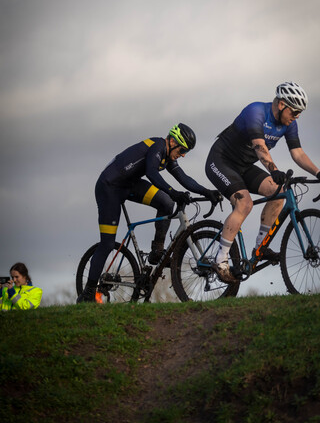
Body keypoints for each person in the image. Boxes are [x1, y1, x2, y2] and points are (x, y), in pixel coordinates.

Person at [77, 123, 221, 302]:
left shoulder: (168, 155)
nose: (183, 155)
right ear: (173, 142)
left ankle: (157, 252)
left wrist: (207, 192)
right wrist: (173, 191)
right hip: (109, 188)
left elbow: (183, 178)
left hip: (129, 184)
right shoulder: (158, 147)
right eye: (183, 149)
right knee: (107, 244)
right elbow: (152, 173)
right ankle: (88, 292)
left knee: (166, 203)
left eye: (187, 152)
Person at [205, 81, 320, 283]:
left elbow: (298, 153)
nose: (297, 117)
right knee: (245, 203)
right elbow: (259, 146)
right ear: (282, 104)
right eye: (295, 112)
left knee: (279, 191)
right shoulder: (256, 111)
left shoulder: (290, 124)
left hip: (244, 166)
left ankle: (260, 247)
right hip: (221, 160)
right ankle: (220, 259)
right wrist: (274, 170)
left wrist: (318, 173)